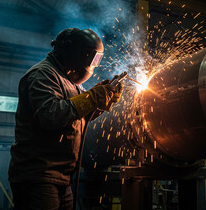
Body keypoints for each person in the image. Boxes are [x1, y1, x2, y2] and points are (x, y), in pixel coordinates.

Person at [8, 28, 123, 209]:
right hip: (38, 176)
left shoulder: (70, 81)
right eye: (94, 59)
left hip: (62, 176)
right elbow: (50, 115)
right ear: (80, 54)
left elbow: (76, 116)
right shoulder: (43, 74)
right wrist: (92, 98)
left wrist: (100, 101)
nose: (94, 65)